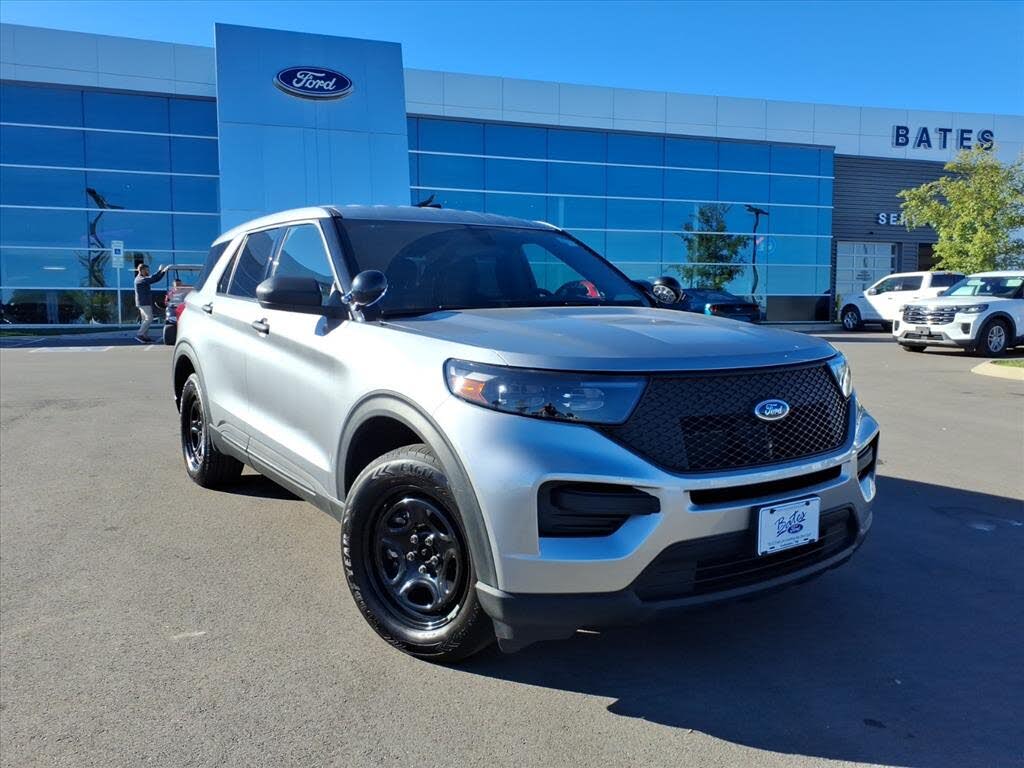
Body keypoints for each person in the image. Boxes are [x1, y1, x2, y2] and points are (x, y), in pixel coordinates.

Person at [134, 262, 167, 343]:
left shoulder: (142, 278)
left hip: (144, 302)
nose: (148, 272)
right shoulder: (139, 279)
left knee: (145, 319)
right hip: (143, 302)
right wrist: (160, 271)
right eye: (147, 270)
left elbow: (156, 279)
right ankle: (140, 334)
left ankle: (144, 336)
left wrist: (163, 272)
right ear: (141, 270)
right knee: (149, 318)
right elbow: (153, 278)